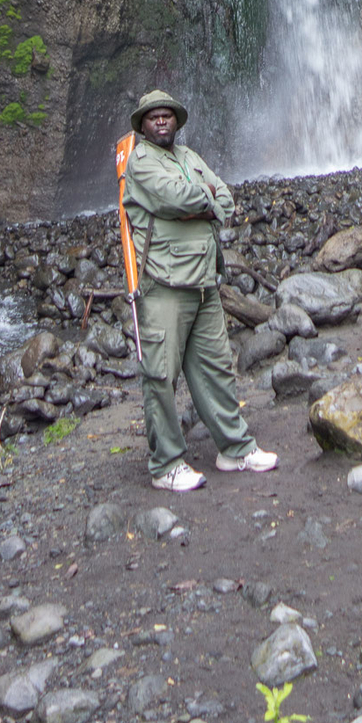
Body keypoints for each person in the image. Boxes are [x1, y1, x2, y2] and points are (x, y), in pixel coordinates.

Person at [122, 88, 278, 492]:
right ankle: (166, 465)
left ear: (176, 120)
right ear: (142, 124)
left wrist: (206, 200)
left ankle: (236, 449)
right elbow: (176, 195)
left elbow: (223, 196)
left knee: (216, 370)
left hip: (205, 282)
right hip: (164, 284)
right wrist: (202, 198)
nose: (161, 121)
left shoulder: (189, 158)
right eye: (153, 116)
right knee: (160, 375)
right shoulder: (140, 162)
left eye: (167, 115)